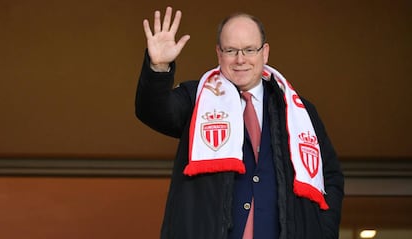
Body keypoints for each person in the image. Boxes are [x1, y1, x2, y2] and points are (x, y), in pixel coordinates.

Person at [135, 6, 344, 239]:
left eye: (249, 50)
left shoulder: (298, 111)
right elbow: (154, 112)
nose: (240, 59)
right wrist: (159, 68)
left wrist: (321, 231)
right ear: (218, 53)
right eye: (231, 50)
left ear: (265, 52)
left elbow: (330, 177)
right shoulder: (197, 99)